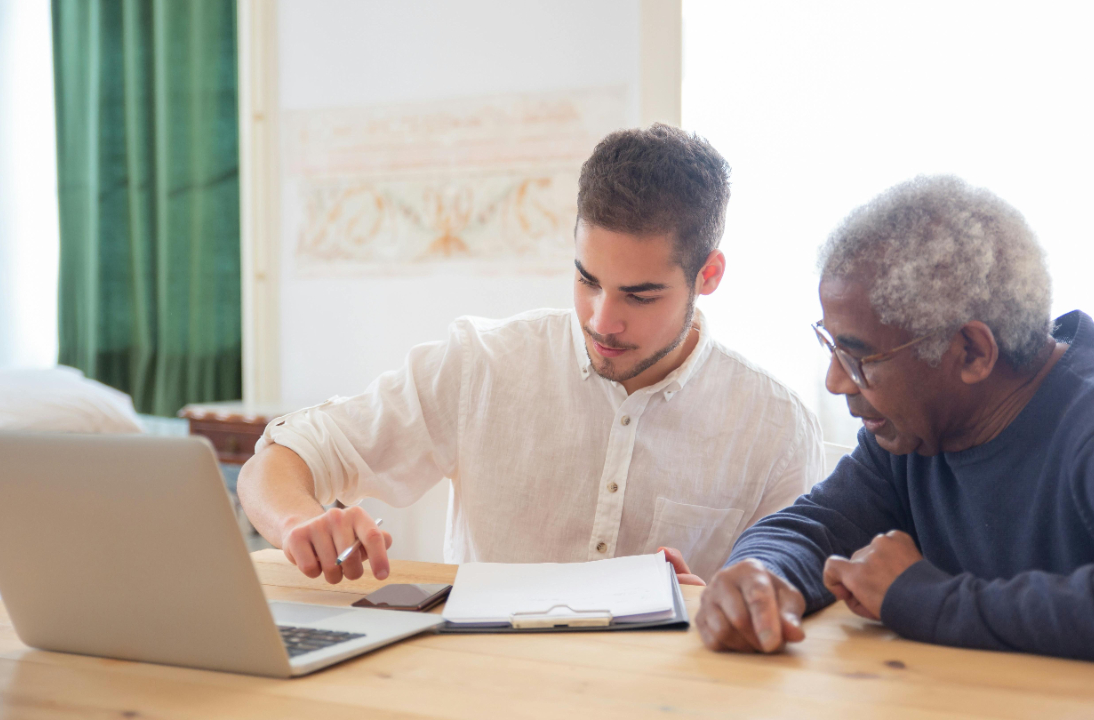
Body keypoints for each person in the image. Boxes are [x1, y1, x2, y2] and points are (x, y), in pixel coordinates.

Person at [238, 124, 823, 589]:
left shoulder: (775, 427)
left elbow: (784, 598)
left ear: (709, 275)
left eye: (639, 296)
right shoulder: (481, 364)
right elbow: (279, 460)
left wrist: (717, 607)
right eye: (587, 279)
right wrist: (299, 523)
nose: (601, 320)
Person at [697, 175, 1094, 672]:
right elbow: (815, 526)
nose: (837, 381)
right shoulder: (914, 431)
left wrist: (924, 598)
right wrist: (762, 575)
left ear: (971, 352)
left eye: (860, 358)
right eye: (831, 346)